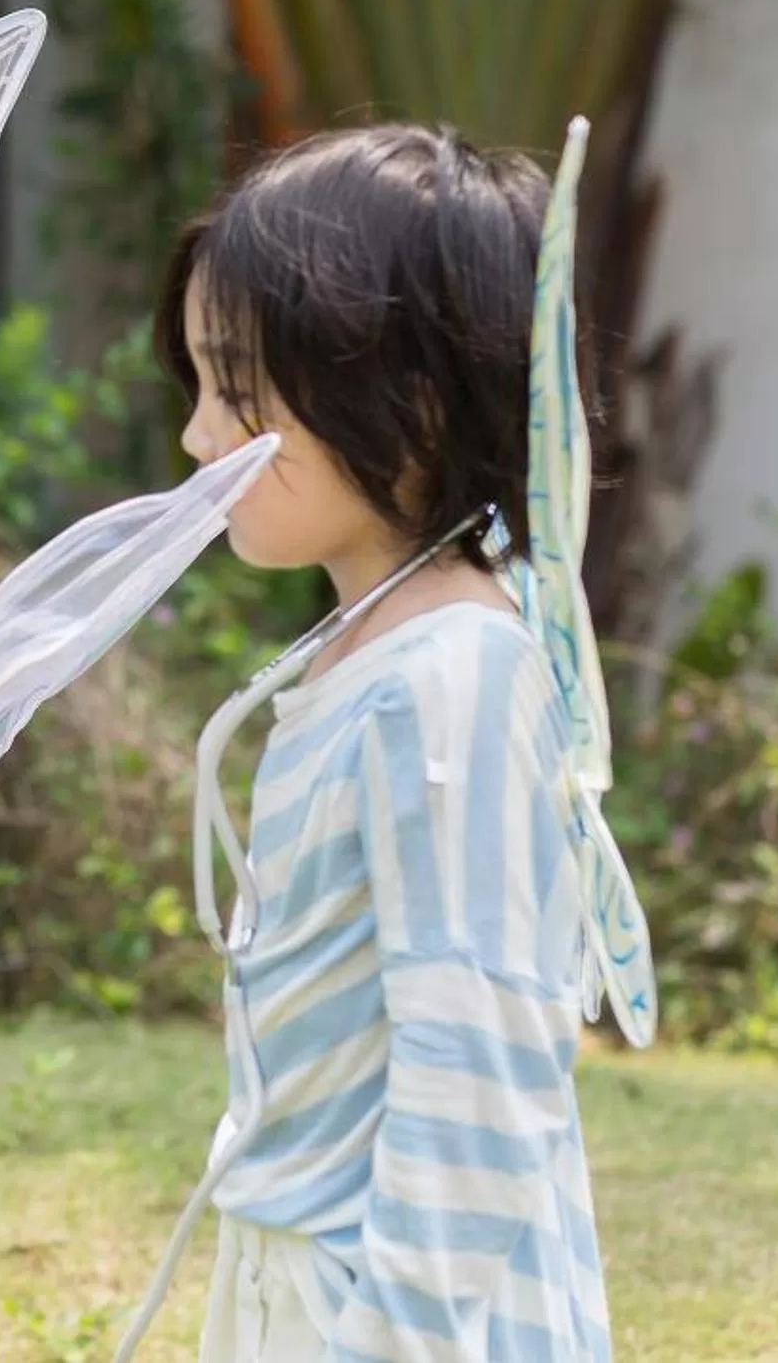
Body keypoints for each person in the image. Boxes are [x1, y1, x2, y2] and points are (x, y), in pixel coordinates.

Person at [151, 126, 615, 1360]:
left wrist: (389, 1339)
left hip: (402, 1307)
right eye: (199, 385)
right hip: (307, 1270)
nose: (202, 435)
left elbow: (482, 1066)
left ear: (407, 387)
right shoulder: (370, 650)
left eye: (239, 385)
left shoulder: (449, 679)